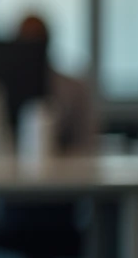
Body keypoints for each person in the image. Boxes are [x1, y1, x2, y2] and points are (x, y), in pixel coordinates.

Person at [16, 14, 97, 154]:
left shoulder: (75, 88)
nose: (32, 46)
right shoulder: (3, 89)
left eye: (37, 39)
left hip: (65, 168)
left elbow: (87, 140)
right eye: (26, 40)